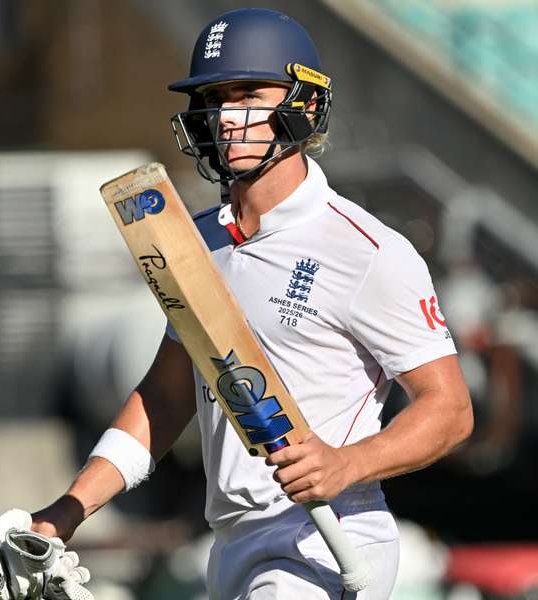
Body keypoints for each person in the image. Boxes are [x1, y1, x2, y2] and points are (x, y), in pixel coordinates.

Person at [31, 8, 472, 599]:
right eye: (215, 98)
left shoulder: (367, 250)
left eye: (248, 95)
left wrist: (347, 463)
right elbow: (164, 398)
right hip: (230, 541)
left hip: (329, 538)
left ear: (305, 105)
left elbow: (450, 410)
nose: (226, 116)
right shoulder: (196, 238)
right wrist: (69, 509)